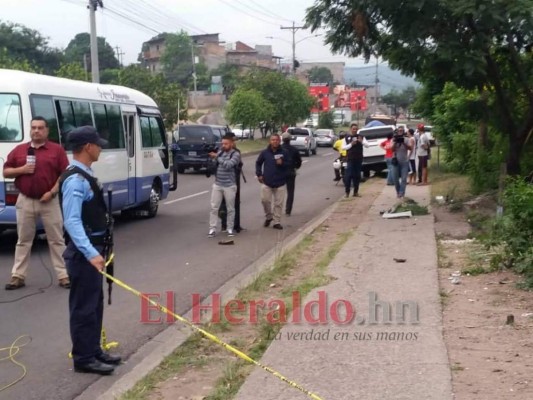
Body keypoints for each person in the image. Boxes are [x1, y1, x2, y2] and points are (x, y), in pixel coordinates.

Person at [59, 126, 121, 375]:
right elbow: (72, 221)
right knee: (84, 307)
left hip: (94, 249)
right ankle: (83, 358)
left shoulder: (85, 174)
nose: (100, 147)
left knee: (94, 304)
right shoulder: (75, 179)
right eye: (97, 144)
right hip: (84, 253)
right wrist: (90, 253)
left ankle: (93, 349)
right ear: (87, 147)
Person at [4, 116, 70, 290]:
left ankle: (64, 276)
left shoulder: (56, 150)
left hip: (49, 200)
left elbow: (64, 174)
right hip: (25, 200)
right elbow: (6, 172)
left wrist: (52, 192)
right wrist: (22, 170)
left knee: (56, 239)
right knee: (23, 240)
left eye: (40, 128)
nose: (36, 131)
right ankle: (18, 276)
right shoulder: (19, 150)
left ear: (47, 131)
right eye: (33, 128)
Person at [207, 135, 241, 238]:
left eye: (226, 144)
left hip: (229, 185)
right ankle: (212, 228)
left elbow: (228, 165)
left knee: (230, 208)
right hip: (218, 184)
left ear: (231, 144)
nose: (224, 145)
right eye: (222, 143)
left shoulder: (235, 154)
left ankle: (229, 228)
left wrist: (217, 157)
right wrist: (213, 159)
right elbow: (215, 165)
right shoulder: (220, 153)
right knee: (214, 207)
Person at [255, 134, 288, 229]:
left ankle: (276, 222)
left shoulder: (284, 152)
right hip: (267, 181)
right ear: (270, 141)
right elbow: (258, 163)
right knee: (265, 200)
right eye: (273, 140)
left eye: (277, 140)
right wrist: (259, 174)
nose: (275, 142)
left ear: (279, 141)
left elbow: (289, 164)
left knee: (278, 203)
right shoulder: (265, 152)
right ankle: (269, 216)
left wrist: (282, 163)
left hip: (280, 182)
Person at [219, 132, 245, 233]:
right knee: (224, 203)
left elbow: (239, 164)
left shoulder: (236, 151)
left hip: (235, 179)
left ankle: (236, 225)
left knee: (236, 203)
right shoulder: (222, 151)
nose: (234, 142)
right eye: (233, 140)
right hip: (225, 180)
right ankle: (224, 224)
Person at [341, 123, 369, 197]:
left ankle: (355, 192)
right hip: (350, 159)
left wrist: (361, 141)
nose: (355, 130)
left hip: (358, 159)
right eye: (353, 129)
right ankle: (347, 192)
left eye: (356, 129)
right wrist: (351, 144)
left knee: (357, 176)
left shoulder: (361, 137)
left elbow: (367, 145)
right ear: (351, 129)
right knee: (348, 175)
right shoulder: (346, 137)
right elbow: (343, 147)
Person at [281, 132, 302, 216]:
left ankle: (277, 208)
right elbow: (299, 161)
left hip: (280, 172)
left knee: (278, 191)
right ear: (290, 140)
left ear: (282, 139)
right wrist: (295, 167)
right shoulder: (294, 149)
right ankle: (288, 210)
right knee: (290, 192)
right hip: (290, 172)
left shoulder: (279, 149)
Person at [390, 126, 413, 198]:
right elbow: (391, 149)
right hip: (395, 161)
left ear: (403, 132)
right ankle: (398, 191)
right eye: (399, 130)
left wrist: (403, 143)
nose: (400, 132)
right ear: (397, 131)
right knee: (395, 179)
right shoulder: (394, 139)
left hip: (404, 161)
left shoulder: (406, 139)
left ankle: (401, 192)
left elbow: (410, 148)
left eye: (401, 131)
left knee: (404, 179)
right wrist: (395, 142)